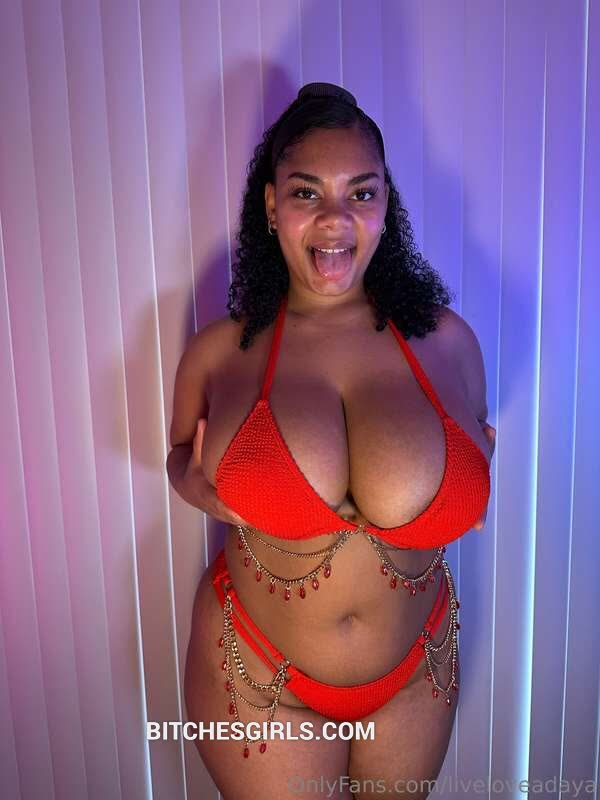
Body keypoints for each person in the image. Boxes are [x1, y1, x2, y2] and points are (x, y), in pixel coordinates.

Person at [167, 82, 496, 800]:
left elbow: (479, 439)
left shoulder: (448, 343)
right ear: (271, 206)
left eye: (361, 192)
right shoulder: (220, 352)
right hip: (257, 672)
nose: (336, 217)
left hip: (415, 671)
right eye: (306, 192)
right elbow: (179, 455)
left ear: (386, 206)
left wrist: (466, 485)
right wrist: (194, 485)